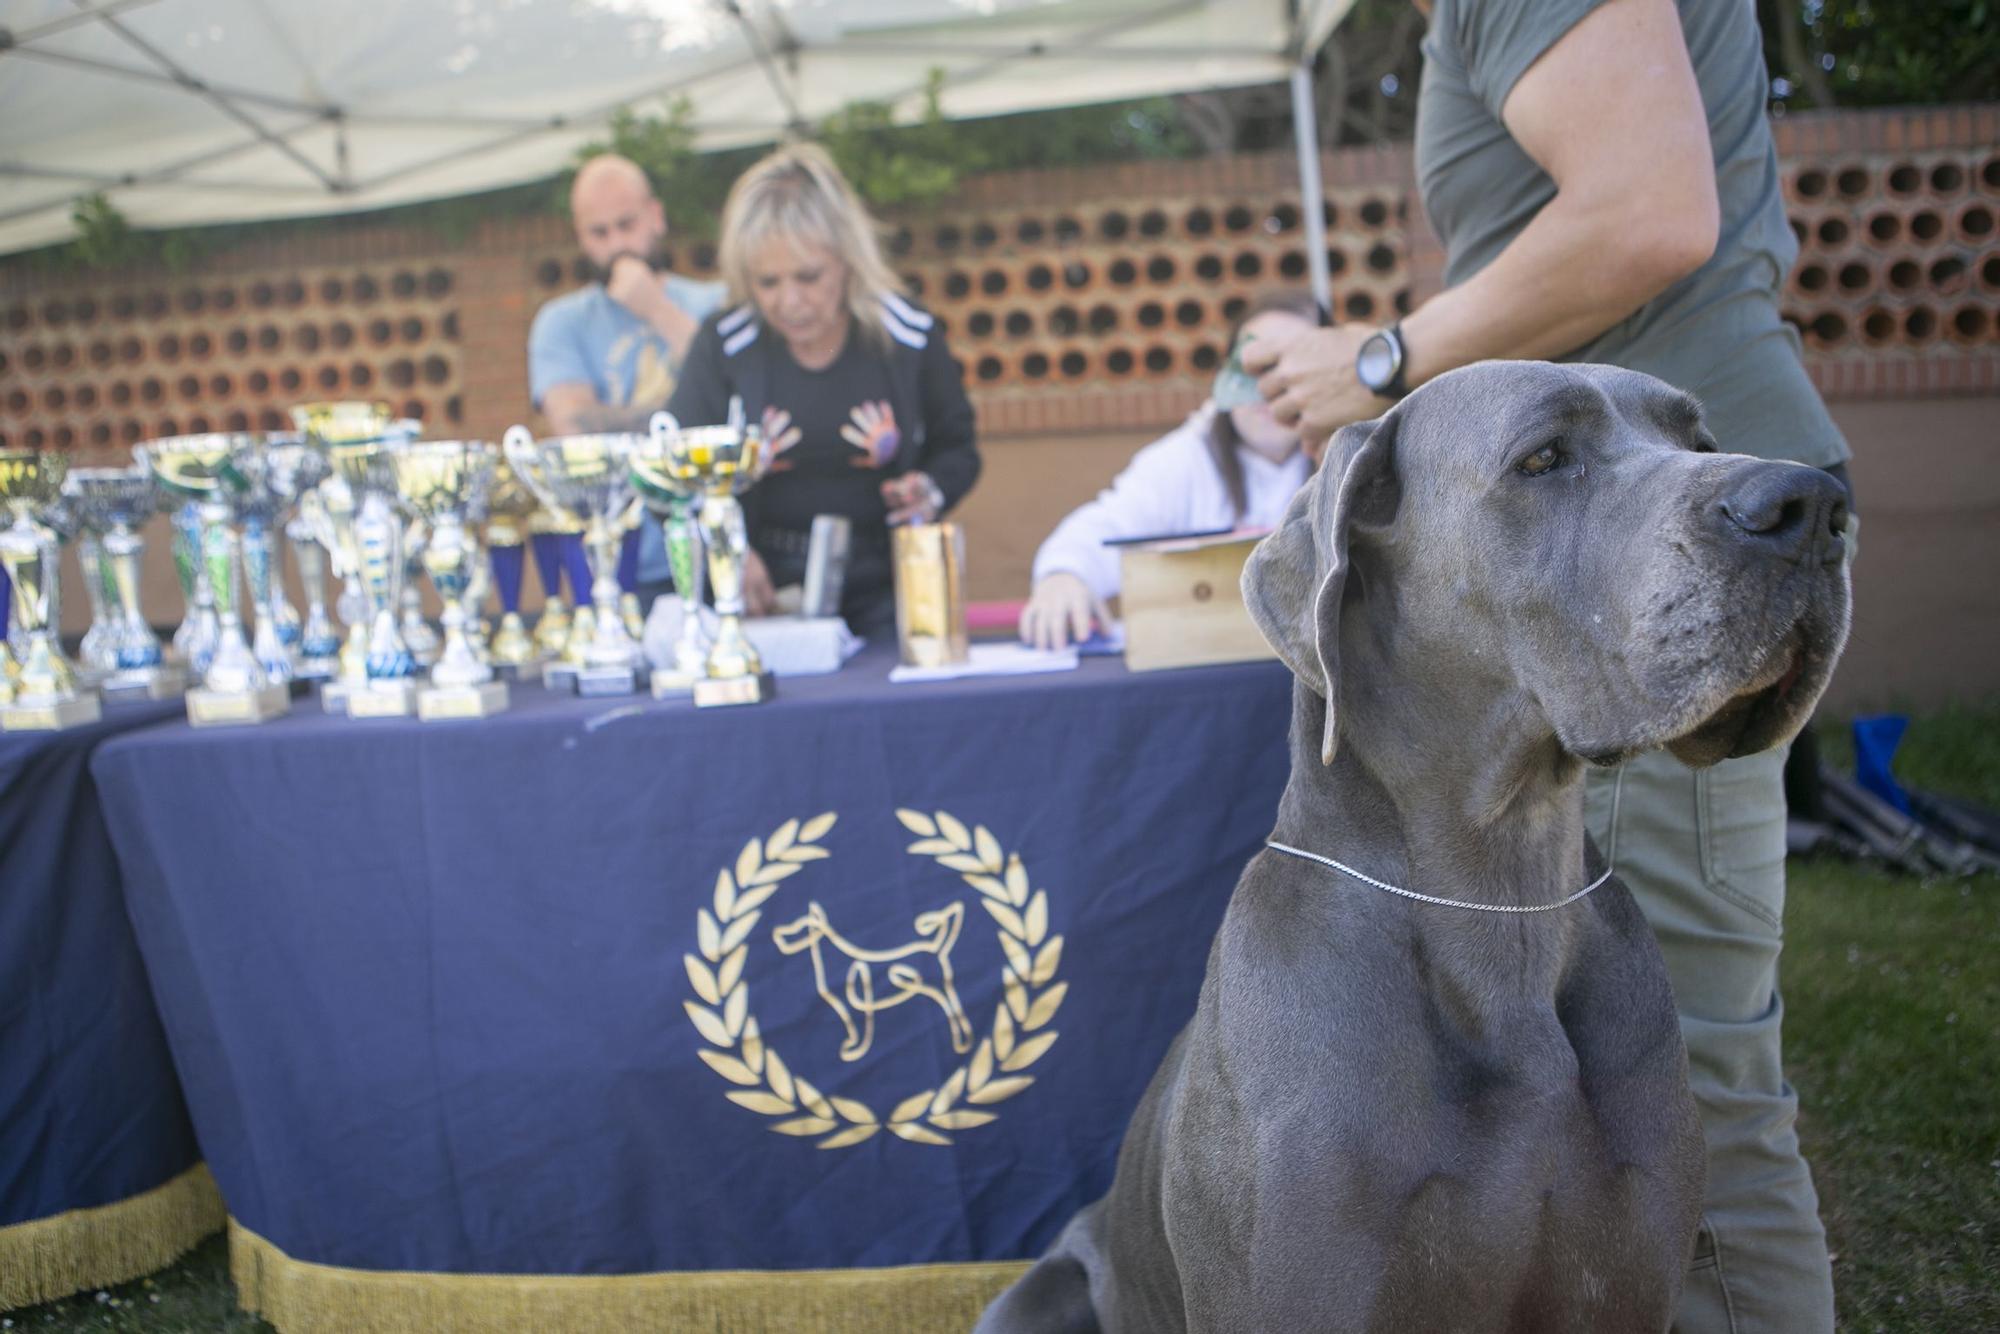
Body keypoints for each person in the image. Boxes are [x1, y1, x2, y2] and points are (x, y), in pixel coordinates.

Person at [1245, 1, 1852, 1329]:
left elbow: (1647, 214)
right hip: (1644, 558)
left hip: (1644, 575)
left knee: (1692, 1126)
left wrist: (1378, 360)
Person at [663, 141, 980, 637]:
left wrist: (928, 491)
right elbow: (678, 468)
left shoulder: (908, 335)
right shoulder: (724, 345)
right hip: (763, 594)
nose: (790, 301)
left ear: (848, 261)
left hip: (885, 586)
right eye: (768, 283)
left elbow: (958, 448)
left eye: (809, 277)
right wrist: (728, 547)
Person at [1019, 290, 1320, 651]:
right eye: (1253, 367)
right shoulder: (1186, 460)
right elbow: (1105, 528)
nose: (1269, 388)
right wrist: (1064, 575)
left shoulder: (1360, 455)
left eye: (1292, 366)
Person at [527, 153, 725, 596]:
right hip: (622, 565)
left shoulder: (713, 303)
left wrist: (655, 308)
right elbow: (573, 427)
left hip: (719, 552)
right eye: (600, 232)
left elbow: (730, 398)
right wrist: (682, 422)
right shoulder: (561, 322)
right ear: (581, 238)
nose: (616, 244)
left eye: (627, 224)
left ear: (656, 217)